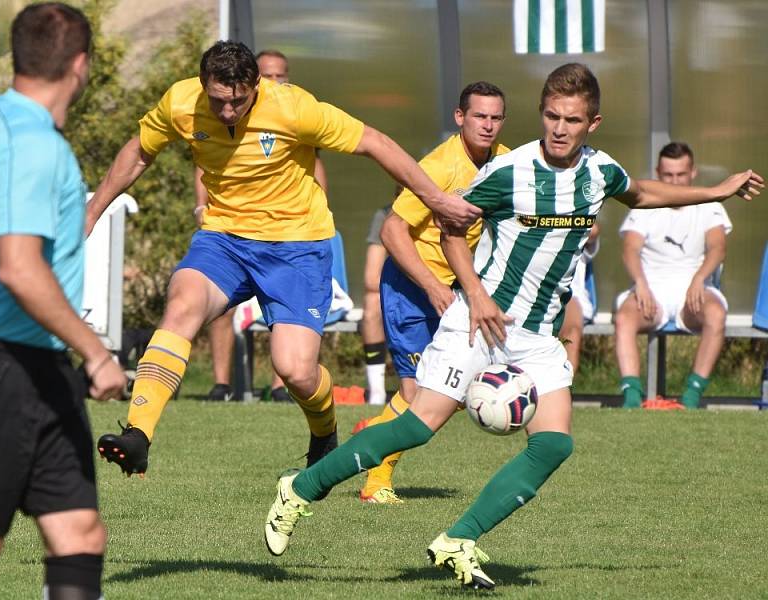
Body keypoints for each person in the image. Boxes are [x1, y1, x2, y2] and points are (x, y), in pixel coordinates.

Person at [263, 63, 763, 590]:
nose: (559, 128)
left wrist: (717, 191)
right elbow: (452, 227)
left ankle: (459, 539)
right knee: (417, 426)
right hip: (480, 323)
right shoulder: (510, 172)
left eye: (572, 119)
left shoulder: (599, 172)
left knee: (554, 445)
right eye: (551, 115)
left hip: (537, 338)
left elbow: (639, 194)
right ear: (541, 113)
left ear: (592, 123)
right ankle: (299, 489)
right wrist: (474, 295)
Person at [86, 40, 480, 477]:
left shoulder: (294, 109)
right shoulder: (181, 103)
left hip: (296, 246)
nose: (229, 112)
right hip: (225, 238)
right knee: (182, 305)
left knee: (294, 370)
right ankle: (138, 435)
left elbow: (375, 143)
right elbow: (138, 152)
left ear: (256, 85)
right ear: (203, 86)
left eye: (239, 101)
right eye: (219, 101)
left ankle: (324, 429)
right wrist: (91, 213)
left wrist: (437, 200)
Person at [0, 4, 127, 597]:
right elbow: (18, 268)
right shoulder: (28, 144)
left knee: (79, 532)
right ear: (80, 66)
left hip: (41, 366)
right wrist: (97, 352)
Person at [356, 81, 509, 504]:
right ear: (460, 118)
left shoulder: (506, 163)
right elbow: (391, 231)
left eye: (496, 117)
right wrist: (432, 285)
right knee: (419, 394)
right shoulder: (440, 167)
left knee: (451, 391)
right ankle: (376, 481)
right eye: (480, 116)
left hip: (457, 289)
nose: (488, 125)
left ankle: (375, 431)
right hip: (412, 287)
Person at [199, 49, 327, 403]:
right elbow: (203, 167)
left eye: (280, 75)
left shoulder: (294, 113)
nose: (275, 82)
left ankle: (279, 386)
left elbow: (315, 170)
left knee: (285, 323)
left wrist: (317, 219)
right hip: (229, 230)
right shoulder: (218, 113)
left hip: (286, 239)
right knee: (207, 299)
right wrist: (201, 208)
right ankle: (222, 384)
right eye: (268, 74)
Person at [615, 142, 732, 409]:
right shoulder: (643, 204)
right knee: (623, 316)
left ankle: (691, 397)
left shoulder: (709, 205)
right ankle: (632, 398)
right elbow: (630, 249)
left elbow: (718, 248)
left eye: (681, 174)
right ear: (658, 173)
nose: (675, 181)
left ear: (693, 173)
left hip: (695, 287)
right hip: (651, 290)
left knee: (716, 314)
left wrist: (699, 279)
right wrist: (641, 284)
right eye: (668, 175)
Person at [361, 204, 392, 406]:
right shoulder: (385, 215)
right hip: (402, 291)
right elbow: (372, 279)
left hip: (441, 290)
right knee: (372, 303)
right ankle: (377, 392)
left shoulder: (446, 209)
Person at [560, 222, 600, 372]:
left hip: (567, 293)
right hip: (526, 291)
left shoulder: (580, 211)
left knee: (571, 332)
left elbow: (594, 230)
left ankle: (565, 388)